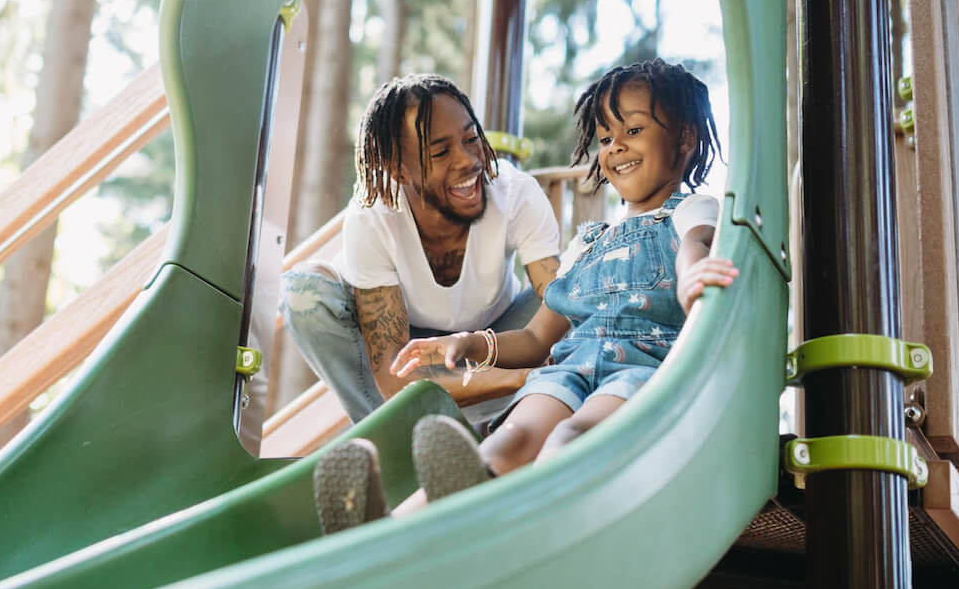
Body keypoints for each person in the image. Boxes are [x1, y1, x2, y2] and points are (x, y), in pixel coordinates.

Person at [312, 59, 738, 532]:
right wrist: (472, 344)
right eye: (605, 139)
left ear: (684, 138)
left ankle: (533, 528)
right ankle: (380, 529)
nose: (616, 148)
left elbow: (695, 246)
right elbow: (538, 337)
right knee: (507, 442)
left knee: (572, 435)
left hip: (639, 370)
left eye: (633, 130)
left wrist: (692, 279)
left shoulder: (689, 209)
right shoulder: (588, 242)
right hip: (569, 369)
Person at [279, 74, 563, 432]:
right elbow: (396, 380)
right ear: (398, 169)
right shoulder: (372, 220)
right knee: (303, 295)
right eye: (441, 152)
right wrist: (521, 379)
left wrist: (518, 366)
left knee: (570, 292)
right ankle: (401, 442)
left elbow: (559, 310)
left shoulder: (516, 193)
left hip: (495, 343)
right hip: (410, 361)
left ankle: (485, 432)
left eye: (471, 139)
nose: (468, 161)